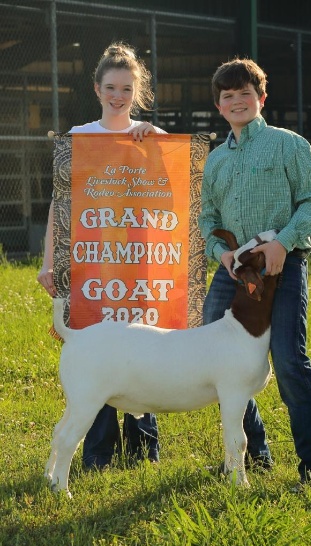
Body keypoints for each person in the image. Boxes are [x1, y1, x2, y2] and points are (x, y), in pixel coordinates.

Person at [198, 57, 311, 489]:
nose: (237, 102)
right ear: (219, 106)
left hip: (283, 264)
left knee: (290, 358)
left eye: (245, 94)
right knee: (216, 353)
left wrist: (282, 243)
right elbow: (207, 217)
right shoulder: (216, 160)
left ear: (262, 98)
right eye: (228, 96)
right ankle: (253, 454)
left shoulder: (289, 145)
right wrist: (221, 253)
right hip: (233, 270)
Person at [38, 41, 166, 470]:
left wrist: (155, 147)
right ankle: (97, 453)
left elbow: (180, 194)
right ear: (97, 89)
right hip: (92, 264)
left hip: (142, 263)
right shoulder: (79, 138)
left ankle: (143, 451)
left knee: (143, 351)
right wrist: (48, 262)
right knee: (98, 354)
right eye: (111, 87)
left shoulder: (154, 137)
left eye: (127, 88)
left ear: (137, 91)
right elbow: (61, 204)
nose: (119, 95)